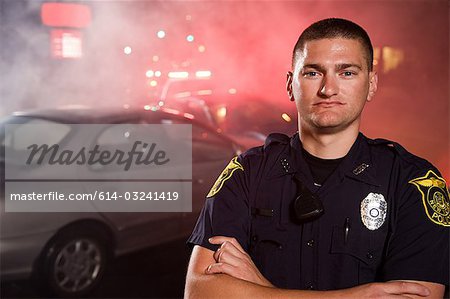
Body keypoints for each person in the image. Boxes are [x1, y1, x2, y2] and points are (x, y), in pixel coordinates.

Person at [184, 18, 449, 298]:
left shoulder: (411, 182)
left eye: (346, 73)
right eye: (312, 73)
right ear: (290, 84)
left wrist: (261, 287)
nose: (328, 89)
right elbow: (200, 291)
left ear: (371, 84)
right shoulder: (247, 172)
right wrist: (353, 296)